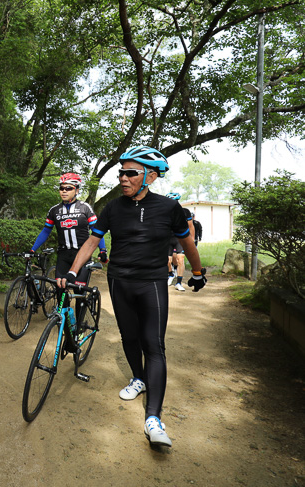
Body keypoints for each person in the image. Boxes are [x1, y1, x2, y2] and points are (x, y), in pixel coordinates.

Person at [60, 146, 207, 448]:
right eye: (121, 172)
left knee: (153, 345)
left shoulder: (168, 208)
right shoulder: (113, 208)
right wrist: (74, 271)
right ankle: (138, 378)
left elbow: (186, 242)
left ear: (150, 177)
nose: (123, 178)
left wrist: (197, 271)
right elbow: (92, 240)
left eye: (130, 173)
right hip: (119, 281)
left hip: (151, 282)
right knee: (129, 338)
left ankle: (153, 418)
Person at [30, 173, 107, 350]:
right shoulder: (54, 210)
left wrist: (102, 250)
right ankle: (66, 328)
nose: (63, 191)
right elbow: (45, 232)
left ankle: (79, 329)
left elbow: (96, 231)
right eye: (61, 188)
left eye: (68, 188)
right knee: (61, 291)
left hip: (83, 255)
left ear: (77, 190)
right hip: (64, 256)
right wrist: (33, 249)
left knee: (79, 293)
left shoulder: (85, 208)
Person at [165, 192, 194, 292]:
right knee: (167, 261)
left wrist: (192, 239)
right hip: (168, 238)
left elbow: (190, 226)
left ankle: (179, 282)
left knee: (180, 259)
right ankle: (171, 274)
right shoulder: (165, 212)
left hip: (180, 239)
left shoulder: (185, 211)